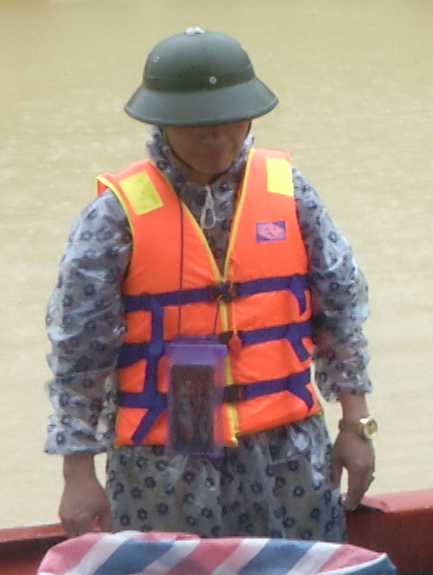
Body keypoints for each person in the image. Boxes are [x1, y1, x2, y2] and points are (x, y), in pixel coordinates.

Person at [45, 27, 376, 542]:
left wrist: (355, 425)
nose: (216, 138)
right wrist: (78, 473)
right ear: (162, 122)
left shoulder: (291, 194)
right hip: (163, 466)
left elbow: (341, 312)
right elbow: (79, 353)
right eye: (197, 126)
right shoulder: (113, 217)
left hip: (286, 452)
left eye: (229, 121)